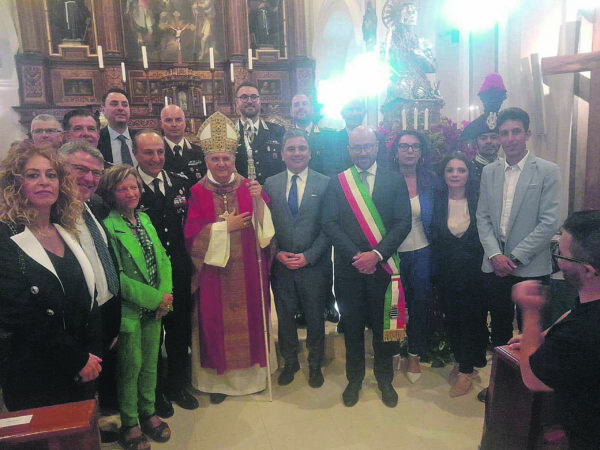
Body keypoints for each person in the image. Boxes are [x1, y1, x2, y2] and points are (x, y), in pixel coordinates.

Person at [0, 143, 101, 411]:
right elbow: (21, 315)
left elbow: (88, 296)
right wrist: (77, 359)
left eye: (51, 175)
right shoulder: (5, 237)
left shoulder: (64, 230)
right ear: (16, 184)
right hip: (35, 371)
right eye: (33, 175)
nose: (44, 182)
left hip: (83, 366)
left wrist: (92, 355)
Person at [184, 112, 275, 404]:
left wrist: (259, 202)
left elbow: (267, 234)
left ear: (234, 159)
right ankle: (217, 383)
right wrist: (226, 227)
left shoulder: (250, 187)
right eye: (215, 159)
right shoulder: (197, 192)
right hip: (214, 276)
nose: (221, 164)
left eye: (226, 158)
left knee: (252, 322)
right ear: (206, 160)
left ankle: (253, 379)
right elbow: (191, 236)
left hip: (249, 272)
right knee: (214, 326)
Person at [476, 107, 561, 402]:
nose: (510, 138)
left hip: (531, 265)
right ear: (499, 137)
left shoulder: (547, 171)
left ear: (527, 134)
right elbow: (483, 217)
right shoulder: (490, 171)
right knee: (499, 328)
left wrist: (514, 257)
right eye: (504, 133)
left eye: (516, 132)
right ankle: (501, 386)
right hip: (496, 265)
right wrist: (495, 255)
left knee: (531, 331)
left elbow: (549, 221)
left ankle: (529, 392)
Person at [322, 126, 411, 408]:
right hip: (349, 271)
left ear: (377, 147)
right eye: (357, 147)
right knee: (352, 328)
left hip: (383, 269)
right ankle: (354, 379)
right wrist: (357, 256)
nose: (362, 152)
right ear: (349, 150)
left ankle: (385, 380)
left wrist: (376, 255)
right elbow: (329, 223)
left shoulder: (394, 180)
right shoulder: (338, 182)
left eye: (367, 146)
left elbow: (403, 223)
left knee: (384, 330)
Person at [98, 165, 173, 449]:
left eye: (133, 187)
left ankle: (148, 412)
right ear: (111, 194)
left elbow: (162, 257)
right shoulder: (108, 227)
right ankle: (130, 422)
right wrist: (155, 299)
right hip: (131, 311)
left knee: (151, 365)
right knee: (131, 368)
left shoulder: (144, 218)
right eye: (122, 189)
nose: (130, 193)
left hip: (156, 309)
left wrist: (166, 295)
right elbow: (116, 276)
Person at [511, 210, 600, 449]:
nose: (557, 259)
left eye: (561, 254)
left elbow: (533, 377)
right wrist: (545, 336)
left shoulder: (581, 334)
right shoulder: (591, 303)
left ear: (588, 270)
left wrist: (531, 312)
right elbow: (576, 311)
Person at [132, 130, 199, 417]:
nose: (156, 158)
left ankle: (177, 386)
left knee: (179, 332)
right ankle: (156, 392)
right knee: (151, 339)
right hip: (146, 277)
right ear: (136, 154)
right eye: (148, 152)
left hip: (179, 272)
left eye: (160, 151)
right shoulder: (129, 187)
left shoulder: (180, 183)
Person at [264, 129, 330, 388]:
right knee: (285, 318)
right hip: (281, 266)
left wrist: (309, 256)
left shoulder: (325, 183)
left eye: (302, 148)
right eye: (291, 149)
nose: (297, 153)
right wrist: (276, 252)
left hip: (314, 265)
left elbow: (329, 227)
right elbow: (265, 225)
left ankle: (315, 363)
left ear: (310, 153)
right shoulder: (270, 184)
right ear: (282, 154)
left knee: (315, 317)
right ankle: (290, 361)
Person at [59, 141, 120, 415]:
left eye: (96, 173)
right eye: (80, 169)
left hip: (103, 312)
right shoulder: (50, 215)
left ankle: (97, 425)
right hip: (74, 323)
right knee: (74, 394)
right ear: (60, 169)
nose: (90, 178)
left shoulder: (93, 205)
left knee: (95, 385)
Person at [432, 152, 488, 397]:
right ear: (443, 174)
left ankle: (467, 370)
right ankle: (461, 360)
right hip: (446, 273)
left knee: (471, 319)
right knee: (453, 318)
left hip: (475, 274)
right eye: (450, 170)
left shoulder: (480, 201)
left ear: (469, 174)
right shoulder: (436, 201)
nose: (455, 174)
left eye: (461, 170)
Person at [290, 93, 339, 323]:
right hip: (295, 200)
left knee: (323, 254)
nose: (301, 107)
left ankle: (328, 303)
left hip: (322, 199)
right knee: (297, 251)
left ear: (312, 108)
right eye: (296, 104)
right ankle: (300, 307)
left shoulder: (327, 136)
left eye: (304, 103)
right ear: (291, 110)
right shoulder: (285, 136)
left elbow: (333, 167)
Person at [392, 129, 436, 383]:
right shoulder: (385, 180)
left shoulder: (430, 181)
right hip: (391, 253)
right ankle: (393, 350)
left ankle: (414, 354)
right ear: (395, 151)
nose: (409, 151)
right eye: (404, 146)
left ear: (421, 152)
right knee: (392, 305)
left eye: (415, 146)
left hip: (421, 252)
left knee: (418, 305)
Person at [234, 81, 285, 185]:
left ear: (260, 101)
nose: (249, 101)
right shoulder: (230, 133)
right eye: (244, 97)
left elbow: (285, 165)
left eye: (254, 97)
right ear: (236, 102)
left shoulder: (277, 131)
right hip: (239, 192)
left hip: (270, 191)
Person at [459, 73, 507, 181]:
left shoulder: (508, 169)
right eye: (483, 138)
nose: (489, 142)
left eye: (494, 137)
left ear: (500, 140)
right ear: (475, 141)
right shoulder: (467, 170)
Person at [160, 104, 206, 186]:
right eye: (168, 120)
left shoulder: (199, 152)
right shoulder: (156, 153)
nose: (174, 124)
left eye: (178, 120)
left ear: (185, 123)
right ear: (161, 124)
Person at [98, 88, 137, 165]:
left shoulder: (139, 137)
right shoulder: (97, 139)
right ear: (103, 110)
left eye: (125, 105)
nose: (120, 108)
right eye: (114, 104)